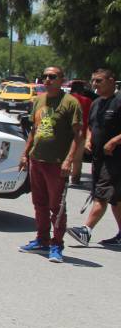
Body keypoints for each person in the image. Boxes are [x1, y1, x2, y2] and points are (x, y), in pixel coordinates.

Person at [17, 66, 82, 263]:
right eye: (44, 76)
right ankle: (42, 240)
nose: (47, 80)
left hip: (57, 163)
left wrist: (69, 160)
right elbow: (34, 130)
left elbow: (78, 134)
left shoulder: (71, 103)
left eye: (52, 77)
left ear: (62, 79)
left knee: (57, 207)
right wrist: (25, 155)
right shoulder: (39, 100)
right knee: (40, 204)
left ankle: (56, 244)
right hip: (37, 160)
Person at [67, 69, 121, 248]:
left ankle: (86, 230)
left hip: (115, 159)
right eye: (93, 81)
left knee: (102, 193)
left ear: (111, 81)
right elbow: (91, 125)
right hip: (98, 157)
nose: (95, 84)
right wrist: (89, 139)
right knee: (116, 199)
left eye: (99, 81)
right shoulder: (96, 103)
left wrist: (114, 141)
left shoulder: (119, 101)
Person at [68, 79, 93, 186]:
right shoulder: (88, 101)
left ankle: (61, 177)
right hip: (81, 133)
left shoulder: (67, 99)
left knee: (63, 156)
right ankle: (75, 179)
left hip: (66, 133)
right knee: (77, 159)